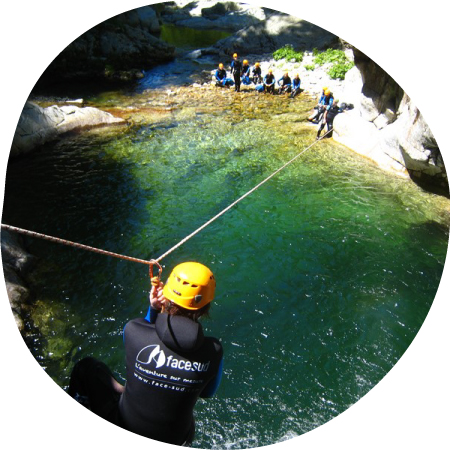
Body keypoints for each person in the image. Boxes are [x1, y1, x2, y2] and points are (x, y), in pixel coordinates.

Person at [68, 262, 223, 446]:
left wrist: (154, 309)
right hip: (178, 440)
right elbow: (208, 392)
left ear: (167, 294)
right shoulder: (213, 351)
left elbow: (144, 336)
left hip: (125, 427)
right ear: (206, 306)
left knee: (87, 367)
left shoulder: (133, 331)